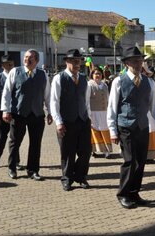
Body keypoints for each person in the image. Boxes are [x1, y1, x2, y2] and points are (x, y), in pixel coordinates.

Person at [107, 46, 155, 209]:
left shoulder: (149, 82)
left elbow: (154, 107)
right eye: (135, 60)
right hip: (125, 126)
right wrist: (113, 131)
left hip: (143, 126)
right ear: (127, 63)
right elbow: (112, 108)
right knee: (130, 160)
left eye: (140, 60)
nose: (138, 63)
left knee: (141, 161)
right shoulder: (118, 81)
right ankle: (123, 193)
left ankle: (134, 192)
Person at [1, 49, 53, 180]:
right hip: (19, 113)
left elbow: (47, 96)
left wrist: (50, 112)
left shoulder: (43, 75)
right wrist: (6, 110)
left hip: (37, 115)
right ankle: (12, 168)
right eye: (25, 57)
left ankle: (33, 170)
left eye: (30, 58)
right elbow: (7, 92)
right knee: (15, 142)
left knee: (36, 144)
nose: (26, 60)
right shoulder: (15, 72)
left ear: (36, 61)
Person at [50, 49, 92, 191]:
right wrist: (58, 122)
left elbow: (86, 101)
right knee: (68, 152)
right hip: (66, 120)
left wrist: (89, 117)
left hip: (83, 119)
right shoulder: (59, 78)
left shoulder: (83, 78)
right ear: (67, 62)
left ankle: (81, 177)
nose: (77, 64)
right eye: (74, 61)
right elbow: (54, 102)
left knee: (86, 151)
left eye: (79, 61)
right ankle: (67, 178)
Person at [0, 55, 21, 169]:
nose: (10, 65)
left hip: (15, 113)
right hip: (1, 112)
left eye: (11, 63)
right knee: (1, 137)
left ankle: (15, 161)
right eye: (8, 63)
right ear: (3, 65)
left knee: (15, 138)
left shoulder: (17, 76)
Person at [88, 66, 112, 158]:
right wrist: (88, 113)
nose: (97, 75)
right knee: (95, 131)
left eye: (99, 73)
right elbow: (86, 100)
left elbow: (108, 98)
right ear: (92, 75)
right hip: (93, 112)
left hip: (104, 112)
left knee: (105, 130)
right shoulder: (89, 85)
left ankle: (106, 150)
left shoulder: (104, 85)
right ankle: (93, 150)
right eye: (95, 74)